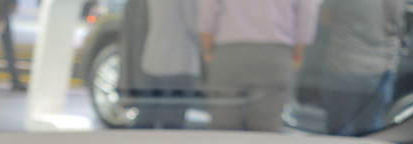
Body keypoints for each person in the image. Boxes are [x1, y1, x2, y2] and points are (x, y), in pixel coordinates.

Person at [197, 0, 320, 132]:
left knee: (223, 127)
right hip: (275, 54)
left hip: (228, 52)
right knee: (265, 130)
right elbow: (307, 14)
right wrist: (298, 54)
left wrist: (207, 50)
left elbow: (206, 11)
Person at [317, 0, 404, 136]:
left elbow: (325, 19)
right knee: (370, 131)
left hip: (343, 65)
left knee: (338, 131)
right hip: (381, 67)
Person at [120, 0, 202, 128]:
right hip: (179, 60)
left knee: (146, 119)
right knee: (172, 123)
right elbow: (194, 23)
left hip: (153, 59)